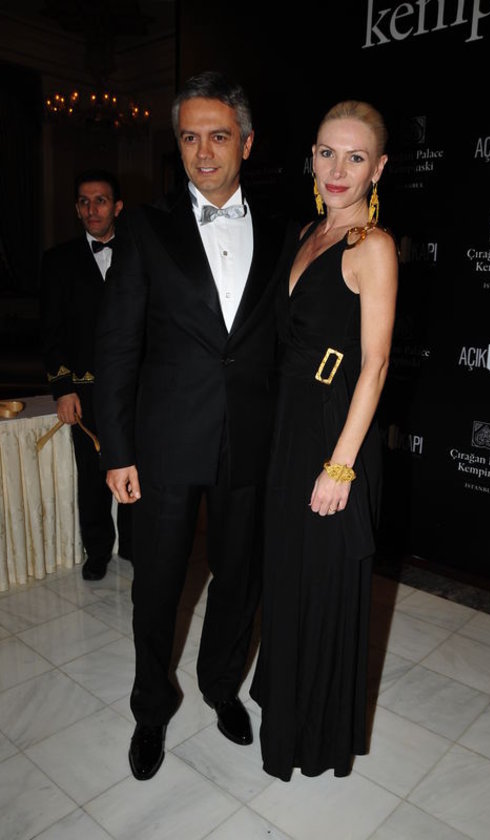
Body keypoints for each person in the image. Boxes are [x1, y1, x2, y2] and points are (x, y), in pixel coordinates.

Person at [93, 71, 295, 781]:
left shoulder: (283, 232)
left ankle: (220, 686)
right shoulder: (145, 228)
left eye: (218, 136)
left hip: (251, 442)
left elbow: (284, 347)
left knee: (240, 580)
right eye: (189, 138)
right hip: (165, 443)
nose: (203, 152)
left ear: (246, 142)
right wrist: (116, 449)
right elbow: (117, 346)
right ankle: (151, 707)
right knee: (156, 587)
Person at [250, 100, 399, 781]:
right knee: (286, 575)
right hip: (289, 426)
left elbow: (375, 364)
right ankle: (284, 701)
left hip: (334, 432)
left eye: (355, 157)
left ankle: (310, 734)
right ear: (310, 156)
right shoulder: (305, 232)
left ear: (378, 169)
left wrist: (340, 467)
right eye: (327, 152)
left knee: (321, 583)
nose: (338, 169)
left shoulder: (373, 246)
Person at [40, 169, 133, 581]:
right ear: (77, 209)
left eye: (101, 201)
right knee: (92, 474)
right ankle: (97, 550)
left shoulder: (139, 252)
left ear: (117, 207)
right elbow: (51, 331)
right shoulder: (58, 261)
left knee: (137, 464)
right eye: (84, 201)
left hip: (135, 388)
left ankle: (134, 544)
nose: (92, 209)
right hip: (85, 389)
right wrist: (62, 388)